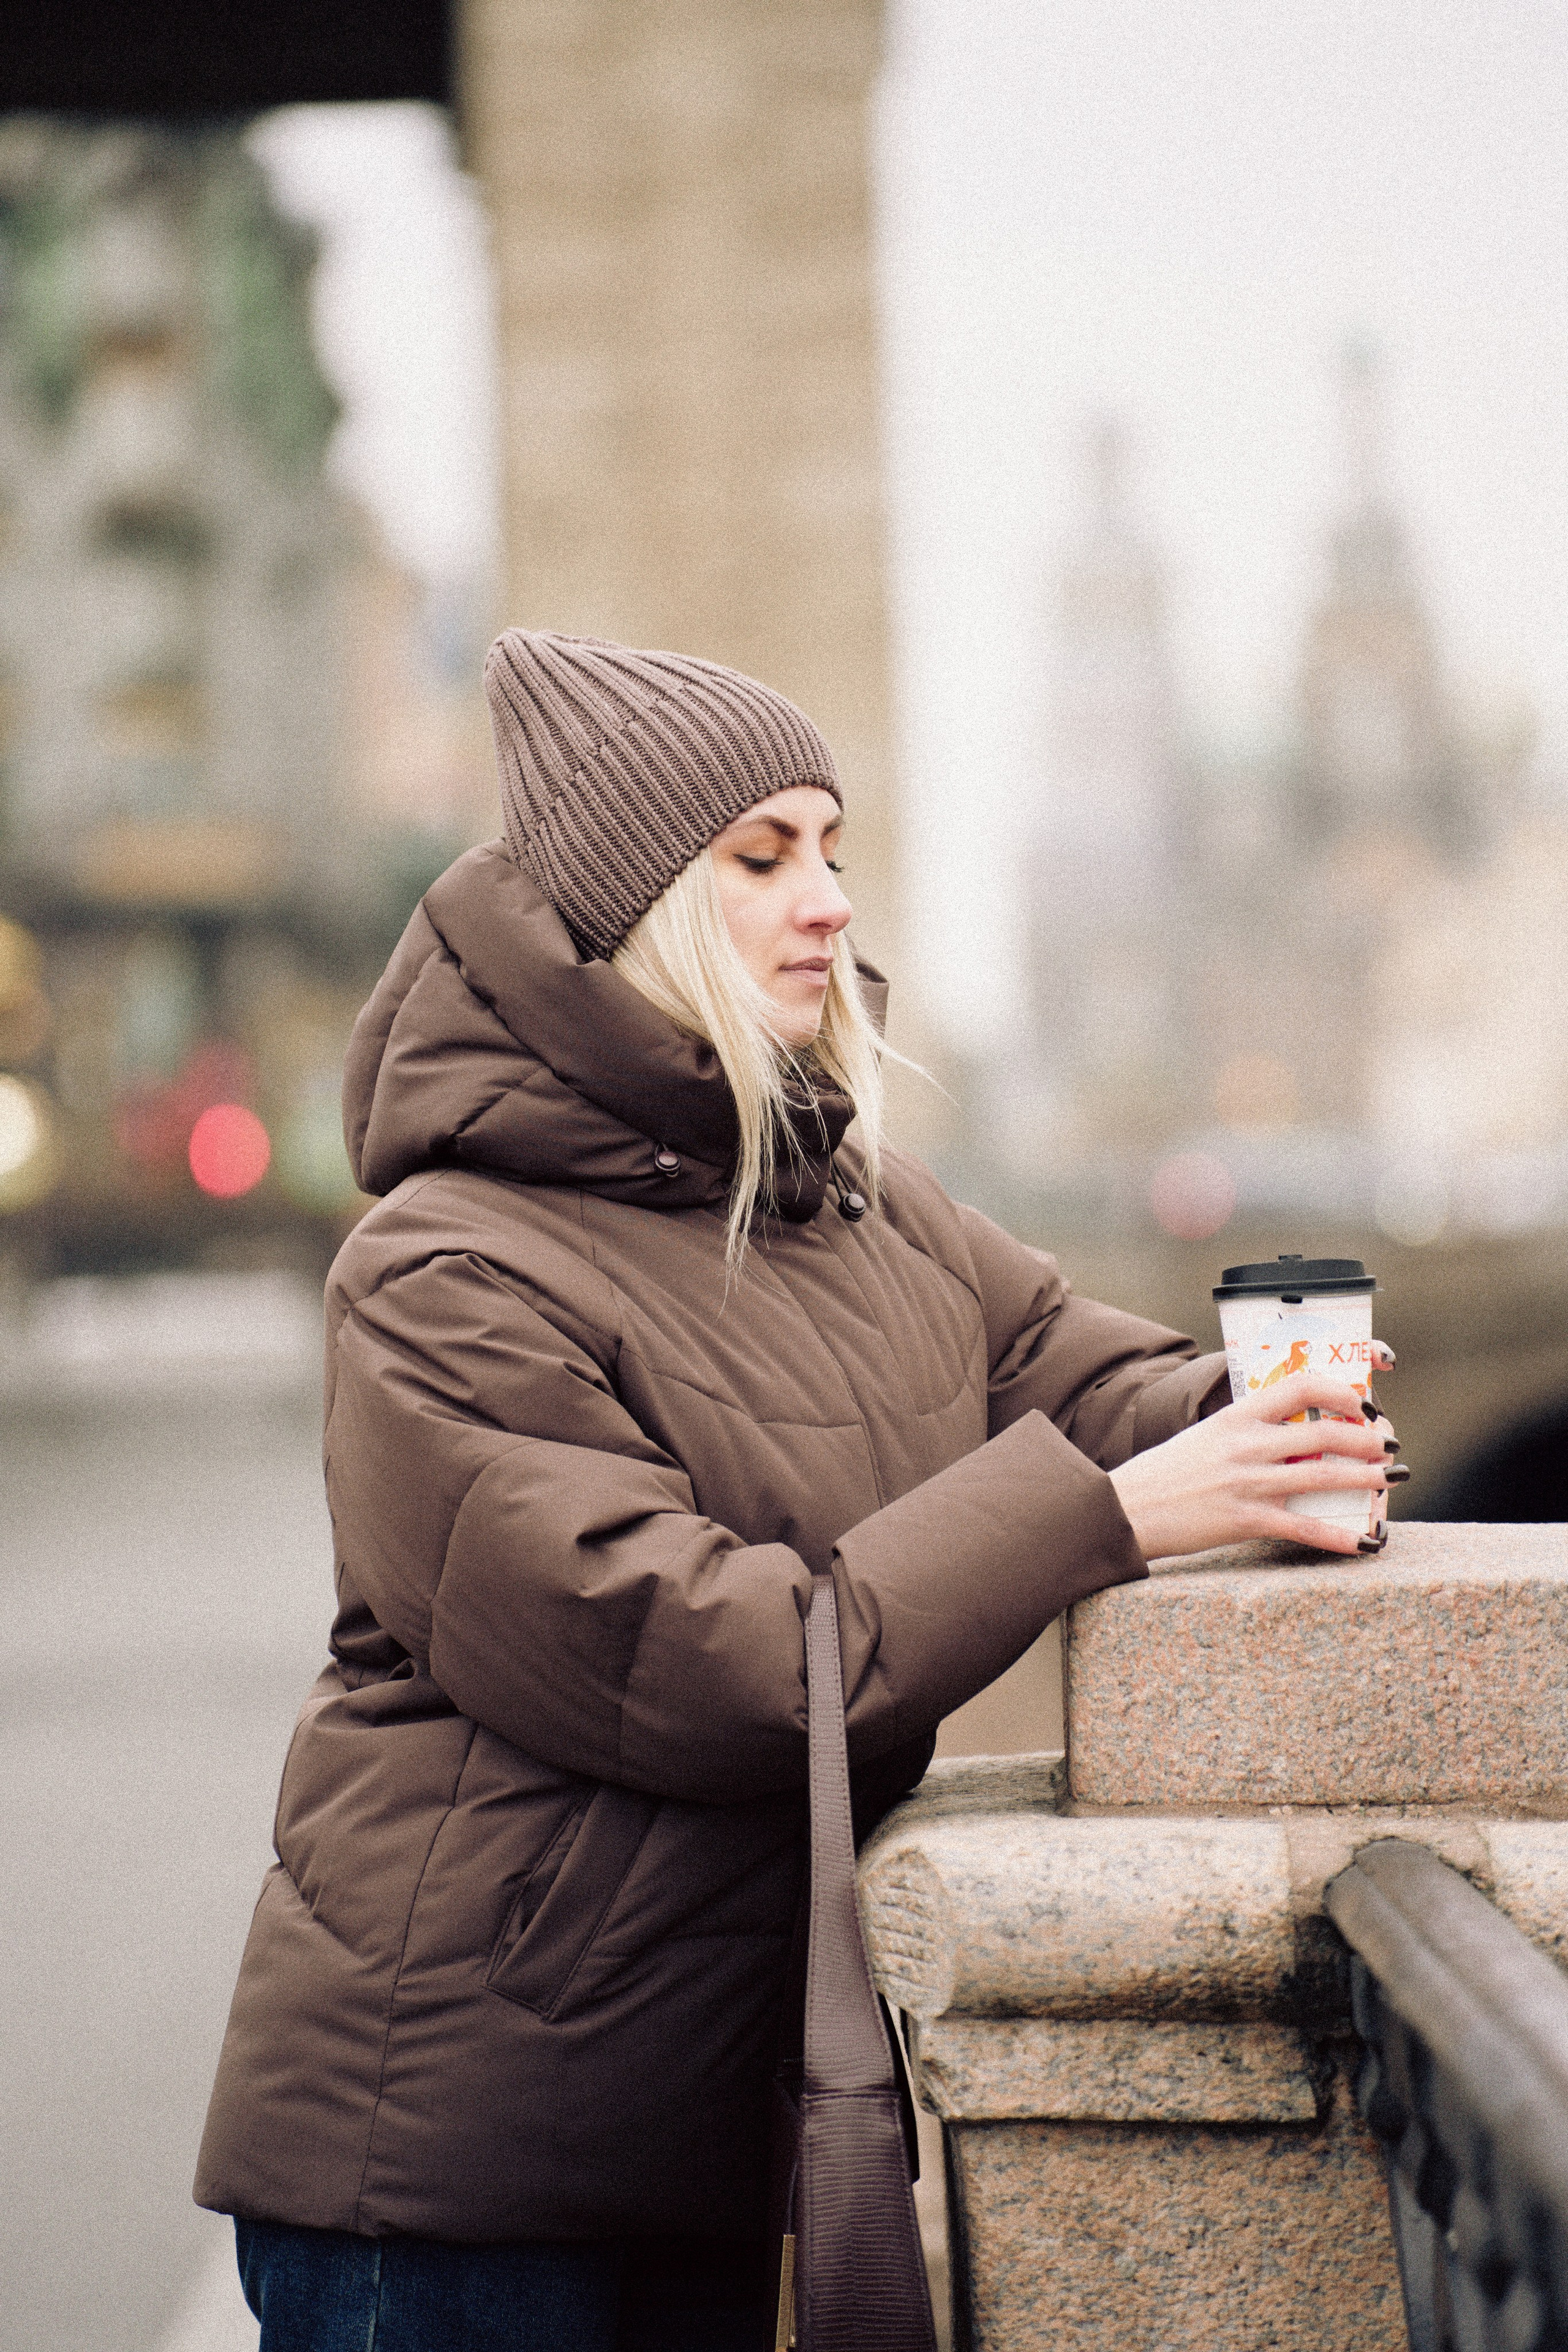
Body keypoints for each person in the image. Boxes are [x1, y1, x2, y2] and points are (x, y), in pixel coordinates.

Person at [195, 630, 1397, 2350]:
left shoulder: (864, 1209)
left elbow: (1084, 1378)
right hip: (454, 2170)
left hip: (710, 2119)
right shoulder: (440, 1274)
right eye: (760, 859)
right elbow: (710, 1659)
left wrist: (1266, 1408)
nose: (829, 903)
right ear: (631, 911)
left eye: (833, 849)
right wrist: (1121, 1515)